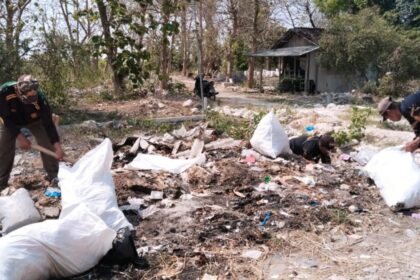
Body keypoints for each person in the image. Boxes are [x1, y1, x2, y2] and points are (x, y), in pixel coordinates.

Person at [0, 75, 64, 189]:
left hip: (35, 120)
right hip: (10, 121)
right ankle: (1, 180)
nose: (32, 93)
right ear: (19, 91)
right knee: (4, 148)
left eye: (34, 92)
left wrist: (57, 145)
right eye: (28, 92)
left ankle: (54, 175)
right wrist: (20, 136)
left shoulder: (40, 98)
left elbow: (48, 124)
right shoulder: (5, 92)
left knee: (48, 143)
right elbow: (5, 117)